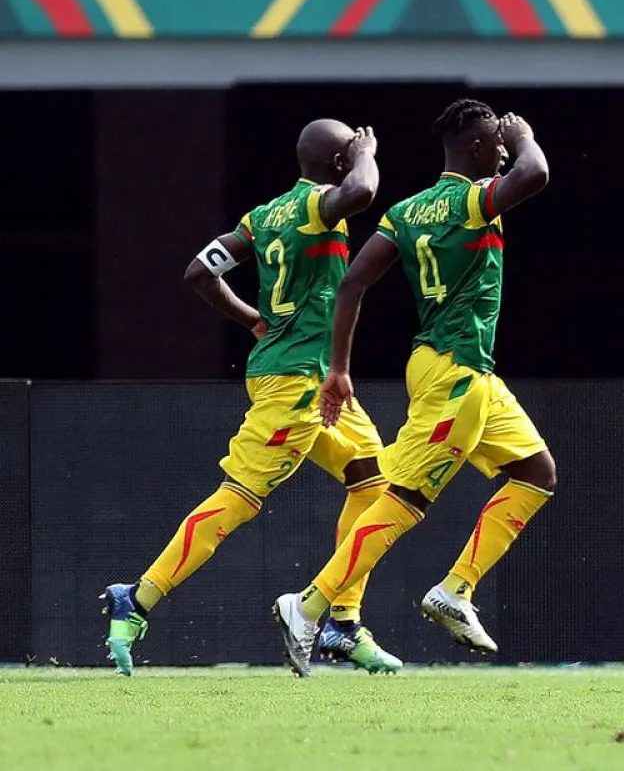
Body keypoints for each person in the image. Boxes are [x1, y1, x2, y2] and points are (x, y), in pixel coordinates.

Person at [101, 121, 402, 676]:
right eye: (349, 156)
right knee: (238, 497)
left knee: (375, 482)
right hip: (294, 383)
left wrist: (254, 323)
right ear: (338, 164)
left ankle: (341, 622)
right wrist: (368, 152)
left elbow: (198, 272)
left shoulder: (261, 218)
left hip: (301, 374)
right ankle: (138, 598)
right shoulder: (320, 205)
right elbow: (362, 191)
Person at [271, 99, 556, 677]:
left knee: (536, 474)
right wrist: (525, 137)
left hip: (458, 368)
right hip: (455, 373)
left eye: (506, 143)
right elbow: (536, 174)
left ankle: (455, 590)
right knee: (403, 500)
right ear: (475, 149)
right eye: (494, 143)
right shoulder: (475, 201)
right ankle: (309, 606)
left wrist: (339, 366)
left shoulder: (406, 211)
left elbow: (351, 283)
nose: (503, 150)